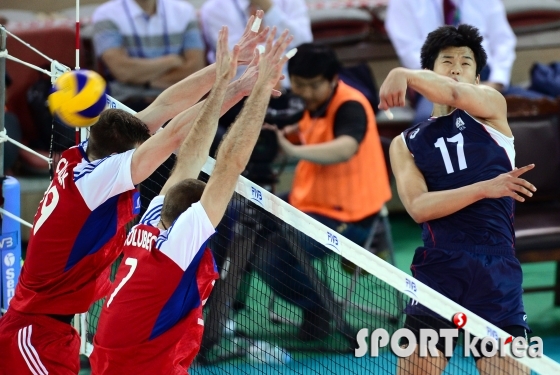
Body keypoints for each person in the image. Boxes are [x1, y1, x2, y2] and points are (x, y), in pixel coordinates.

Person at [0, 15, 270, 375]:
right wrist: (230, 86)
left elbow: (162, 109)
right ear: (121, 158)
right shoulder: (97, 183)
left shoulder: (84, 155)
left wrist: (229, 70)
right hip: (34, 332)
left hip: (52, 328)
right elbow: (174, 137)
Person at [89, 28, 293, 375]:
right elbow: (229, 164)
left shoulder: (152, 220)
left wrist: (229, 85)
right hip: (136, 364)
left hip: (114, 353)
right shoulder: (179, 246)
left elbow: (189, 158)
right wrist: (259, 93)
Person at [380, 25, 534, 375]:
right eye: (446, 61)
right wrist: (483, 188)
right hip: (439, 270)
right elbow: (419, 208)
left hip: (495, 271)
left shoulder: (492, 108)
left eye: (465, 63)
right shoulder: (405, 143)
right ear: (428, 72)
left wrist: (401, 73)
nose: (455, 68)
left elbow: (452, 92)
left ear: (476, 78)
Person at [256, 42, 392, 341]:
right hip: (307, 203)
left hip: (353, 214)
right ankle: (226, 308)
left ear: (333, 80)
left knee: (273, 257)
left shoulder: (351, 105)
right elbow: (292, 128)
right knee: (246, 226)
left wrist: (292, 149)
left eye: (313, 85)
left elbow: (346, 148)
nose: (304, 92)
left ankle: (319, 307)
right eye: (298, 84)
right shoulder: (305, 103)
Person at [385, 0, 545, 124]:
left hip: (485, 77)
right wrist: (455, 90)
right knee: (428, 123)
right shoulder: (403, 2)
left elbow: (503, 41)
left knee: (547, 108)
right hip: (434, 82)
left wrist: (496, 82)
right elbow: (412, 55)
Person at [92, 0, 206, 111]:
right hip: (129, 103)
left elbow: (195, 68)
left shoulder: (184, 11)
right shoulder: (106, 14)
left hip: (179, 101)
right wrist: (171, 61)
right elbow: (122, 71)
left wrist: (146, 81)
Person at [200, 0, 312, 87]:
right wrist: (281, 47)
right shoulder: (214, 8)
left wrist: (269, 9)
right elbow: (238, 57)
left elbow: (304, 44)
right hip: (241, 91)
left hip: (292, 85)